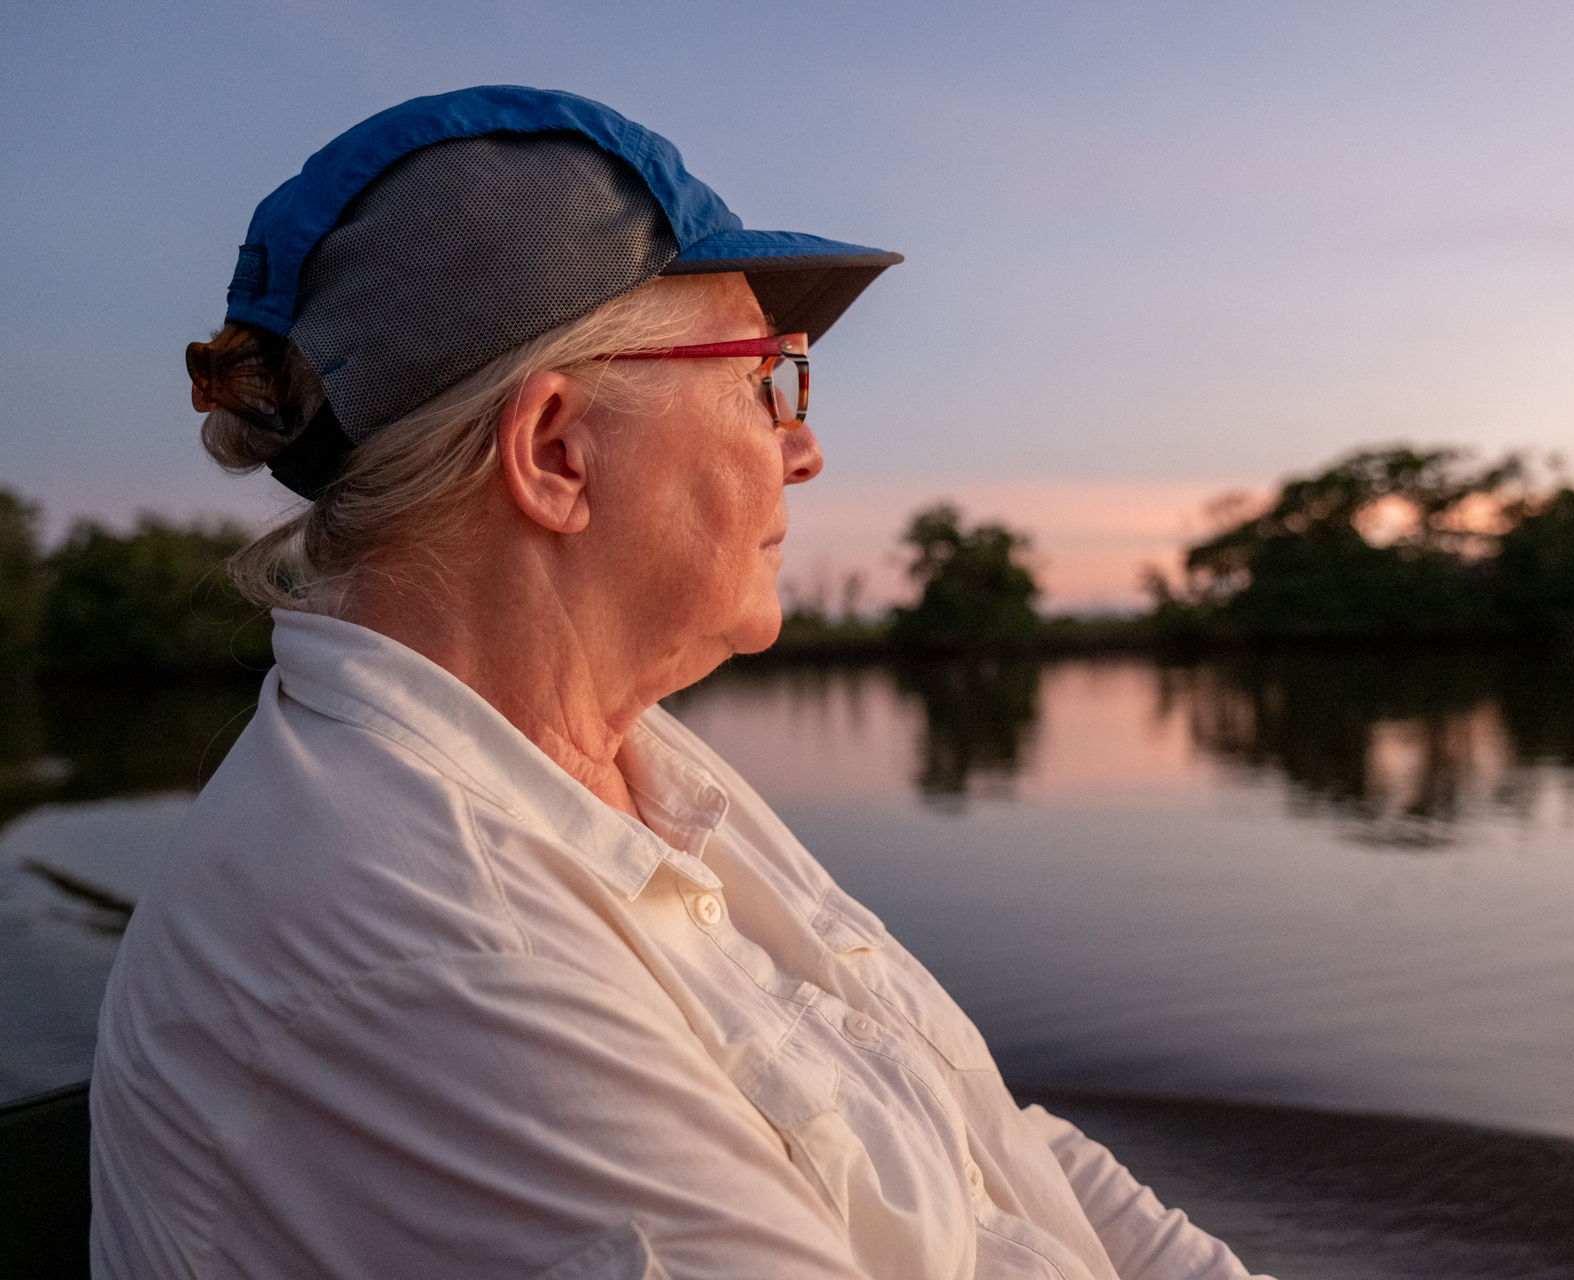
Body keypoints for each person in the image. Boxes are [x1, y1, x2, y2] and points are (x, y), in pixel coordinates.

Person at [89, 86, 1269, 1280]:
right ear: (557, 450)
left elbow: (996, 1149)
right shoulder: (430, 945)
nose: (803, 448)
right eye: (767, 381)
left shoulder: (621, 767)